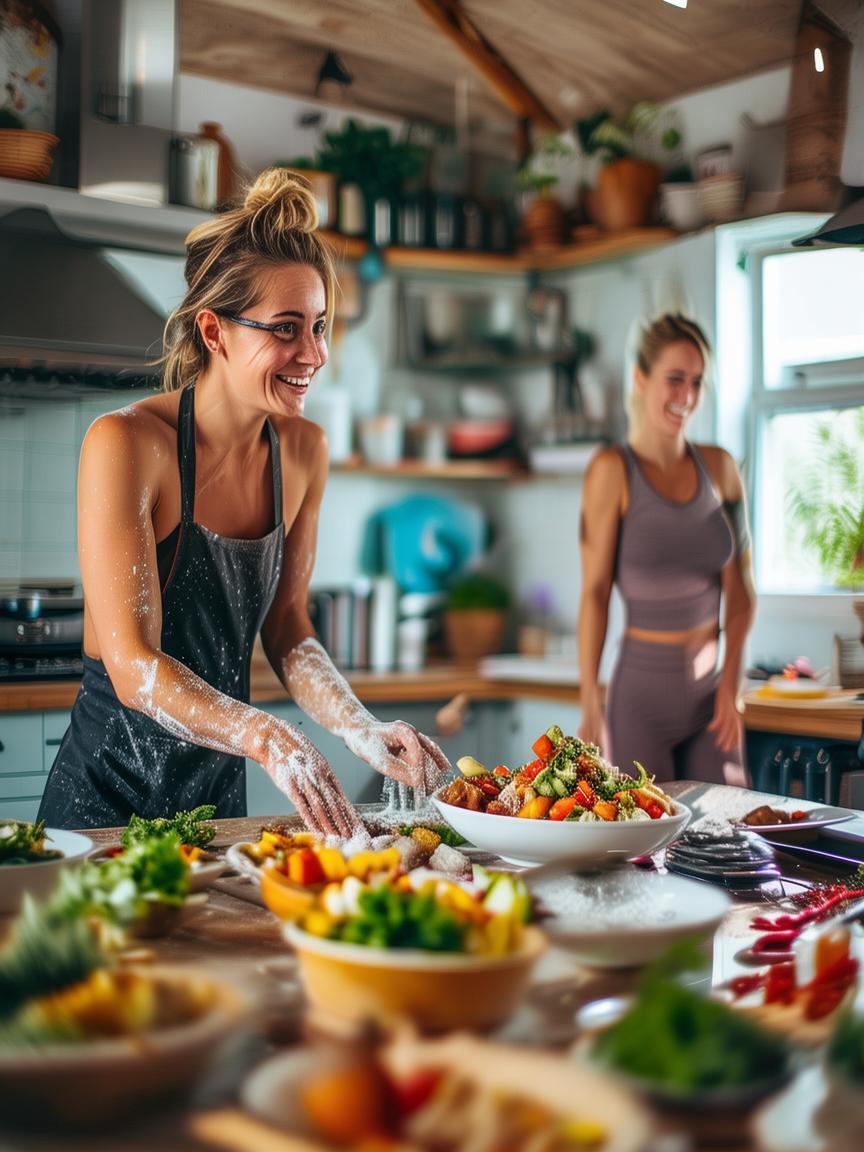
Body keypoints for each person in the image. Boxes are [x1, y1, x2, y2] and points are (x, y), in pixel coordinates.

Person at [38, 169, 449, 834]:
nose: (313, 353)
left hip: (215, 806)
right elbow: (132, 665)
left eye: (319, 326)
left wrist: (361, 728)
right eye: (286, 329)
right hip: (103, 808)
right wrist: (264, 735)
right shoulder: (126, 444)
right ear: (214, 330)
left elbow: (288, 630)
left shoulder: (304, 451)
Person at [577, 313, 756, 785]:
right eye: (674, 379)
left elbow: (741, 592)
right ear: (641, 378)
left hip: (711, 698)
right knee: (644, 851)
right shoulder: (611, 471)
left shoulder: (721, 470)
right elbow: (594, 593)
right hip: (639, 701)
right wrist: (590, 703)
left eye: (696, 382)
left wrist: (731, 688)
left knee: (730, 838)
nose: (687, 396)